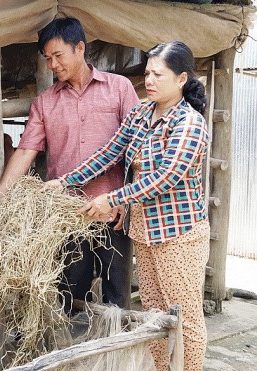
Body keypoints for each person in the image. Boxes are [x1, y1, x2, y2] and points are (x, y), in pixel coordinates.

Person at [46, 41, 210, 370]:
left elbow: (165, 178)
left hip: (179, 235)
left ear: (181, 79)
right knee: (153, 313)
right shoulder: (141, 113)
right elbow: (109, 154)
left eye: (158, 74)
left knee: (185, 316)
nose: (148, 80)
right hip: (145, 232)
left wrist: (113, 198)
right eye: (147, 73)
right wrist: (66, 181)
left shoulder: (189, 124)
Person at [0, 17, 139, 310]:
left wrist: (127, 198)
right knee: (69, 296)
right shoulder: (45, 103)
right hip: (67, 214)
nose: (52, 65)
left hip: (113, 209)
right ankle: (72, 353)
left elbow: (137, 148)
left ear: (80, 48)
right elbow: (25, 152)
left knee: (117, 300)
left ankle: (115, 353)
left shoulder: (119, 88)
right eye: (47, 59)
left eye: (58, 55)